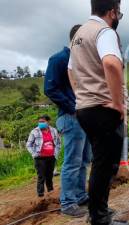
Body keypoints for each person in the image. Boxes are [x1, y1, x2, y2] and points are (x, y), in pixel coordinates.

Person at [67, 0, 129, 224]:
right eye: (119, 14)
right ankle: (99, 218)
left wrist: (81, 96)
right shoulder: (104, 32)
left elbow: (70, 70)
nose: (118, 19)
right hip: (104, 108)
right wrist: (117, 103)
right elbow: (112, 64)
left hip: (85, 108)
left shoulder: (79, 35)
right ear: (113, 11)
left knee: (102, 163)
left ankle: (98, 210)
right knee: (105, 165)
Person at [44, 24, 92, 218]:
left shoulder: (80, 62)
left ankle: (80, 196)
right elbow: (50, 88)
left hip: (84, 117)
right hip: (70, 118)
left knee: (84, 160)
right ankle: (68, 202)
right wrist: (72, 106)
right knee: (72, 161)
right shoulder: (59, 59)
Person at [26, 115, 61, 198]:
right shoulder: (34, 131)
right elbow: (28, 145)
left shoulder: (53, 130)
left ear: (48, 122)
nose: (40, 123)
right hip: (40, 157)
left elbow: (58, 143)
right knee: (41, 176)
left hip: (51, 157)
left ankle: (51, 192)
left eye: (43, 121)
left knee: (49, 175)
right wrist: (34, 154)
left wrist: (56, 153)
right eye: (39, 122)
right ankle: (40, 195)